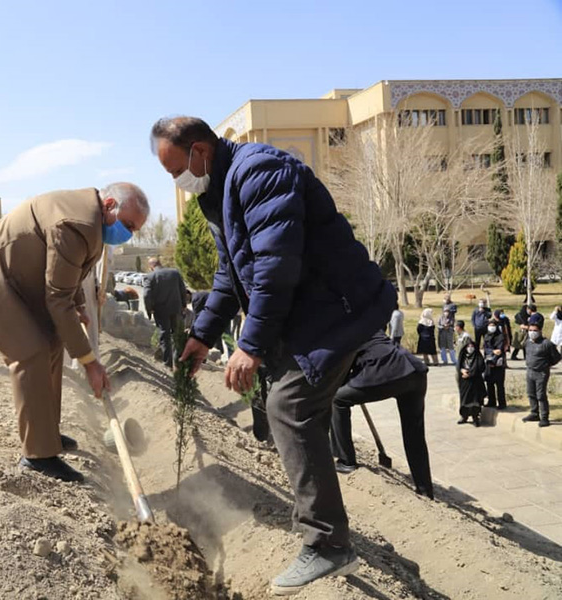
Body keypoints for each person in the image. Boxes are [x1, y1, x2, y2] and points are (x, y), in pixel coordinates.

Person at [151, 116, 395, 594]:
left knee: (290, 407)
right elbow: (231, 275)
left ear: (200, 150)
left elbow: (274, 268)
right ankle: (320, 524)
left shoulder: (259, 172)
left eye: (176, 169)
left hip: (338, 307)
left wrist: (250, 346)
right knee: (297, 409)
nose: (177, 181)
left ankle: (328, 545)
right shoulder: (218, 190)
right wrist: (202, 335)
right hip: (311, 314)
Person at [0, 183, 149, 483]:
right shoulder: (78, 224)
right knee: (30, 351)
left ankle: (46, 434)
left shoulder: (90, 219)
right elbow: (57, 298)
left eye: (134, 230)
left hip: (13, 276)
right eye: (128, 225)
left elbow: (69, 271)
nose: (128, 234)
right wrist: (90, 362)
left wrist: (79, 305)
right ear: (108, 205)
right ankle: (38, 456)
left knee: (52, 341)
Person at [329, 332, 433, 499]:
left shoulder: (342, 331)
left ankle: (346, 461)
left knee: (337, 400)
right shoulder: (367, 324)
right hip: (415, 372)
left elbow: (341, 371)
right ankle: (425, 489)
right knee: (414, 435)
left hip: (389, 371)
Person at [143, 256, 188, 367]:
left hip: (160, 311)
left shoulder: (150, 277)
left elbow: (146, 295)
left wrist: (149, 310)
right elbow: (183, 290)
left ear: (151, 267)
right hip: (176, 309)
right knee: (177, 335)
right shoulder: (175, 273)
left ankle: (168, 364)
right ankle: (179, 362)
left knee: (165, 336)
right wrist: (184, 305)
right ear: (160, 263)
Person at [523, 313, 559, 427]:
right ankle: (534, 413)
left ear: (540, 331)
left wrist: (546, 365)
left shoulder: (546, 344)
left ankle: (544, 417)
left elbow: (556, 357)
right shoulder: (527, 342)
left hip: (541, 373)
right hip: (530, 371)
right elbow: (526, 354)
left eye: (535, 330)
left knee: (541, 395)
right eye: (530, 330)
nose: (532, 332)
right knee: (531, 393)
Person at [457, 338, 486, 426]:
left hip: (475, 382)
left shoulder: (478, 356)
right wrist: (462, 370)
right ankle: (464, 416)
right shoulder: (463, 356)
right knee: (465, 401)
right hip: (464, 382)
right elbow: (459, 366)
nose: (470, 348)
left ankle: (475, 417)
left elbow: (481, 367)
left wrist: (470, 374)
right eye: (468, 346)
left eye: (472, 346)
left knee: (475, 402)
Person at [483, 317, 507, 409]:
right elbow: (485, 349)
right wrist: (492, 352)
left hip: (498, 363)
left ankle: (502, 403)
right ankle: (491, 401)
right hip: (488, 362)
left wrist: (494, 358)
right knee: (489, 383)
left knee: (499, 384)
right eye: (490, 325)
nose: (491, 327)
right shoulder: (486, 336)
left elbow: (499, 350)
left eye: (493, 325)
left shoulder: (500, 336)